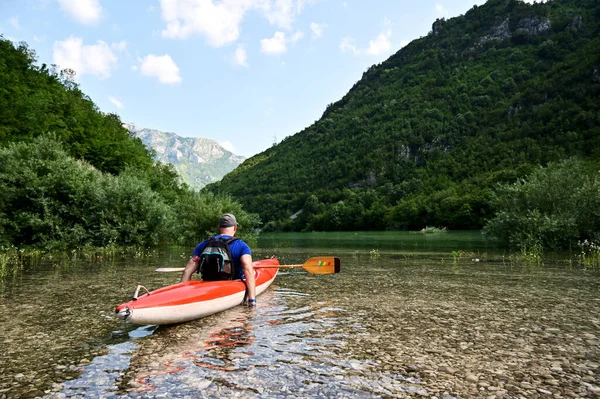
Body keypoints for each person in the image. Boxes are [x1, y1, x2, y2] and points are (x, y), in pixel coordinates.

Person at [180, 213, 256, 307]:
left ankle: (182, 298)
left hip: (207, 283)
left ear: (219, 227)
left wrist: (183, 290)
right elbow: (247, 267)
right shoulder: (241, 245)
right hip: (232, 284)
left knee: (191, 263)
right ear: (235, 228)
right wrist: (252, 299)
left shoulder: (204, 244)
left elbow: (190, 266)